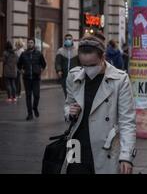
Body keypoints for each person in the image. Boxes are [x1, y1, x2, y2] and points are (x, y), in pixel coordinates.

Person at [62, 33, 136, 174]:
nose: (88, 69)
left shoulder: (120, 80)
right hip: (76, 145)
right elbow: (68, 105)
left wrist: (126, 156)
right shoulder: (73, 76)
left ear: (103, 57)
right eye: (84, 65)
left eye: (92, 65)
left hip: (105, 148)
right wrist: (68, 112)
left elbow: (127, 121)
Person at [17, 38, 47, 121]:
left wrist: (40, 70)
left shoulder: (38, 54)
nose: (30, 44)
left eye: (31, 42)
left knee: (37, 95)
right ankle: (29, 114)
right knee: (28, 96)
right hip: (26, 79)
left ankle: (35, 108)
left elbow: (43, 64)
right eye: (29, 43)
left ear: (34, 44)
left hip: (36, 78)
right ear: (27, 44)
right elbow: (19, 65)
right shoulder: (23, 54)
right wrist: (22, 71)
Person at [55, 34, 79, 98]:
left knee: (74, 93)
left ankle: (72, 106)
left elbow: (80, 63)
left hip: (74, 76)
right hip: (64, 76)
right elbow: (58, 62)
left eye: (69, 39)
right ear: (64, 40)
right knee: (67, 94)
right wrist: (59, 70)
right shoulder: (60, 51)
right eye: (66, 39)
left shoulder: (77, 51)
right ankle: (69, 106)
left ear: (72, 40)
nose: (68, 40)